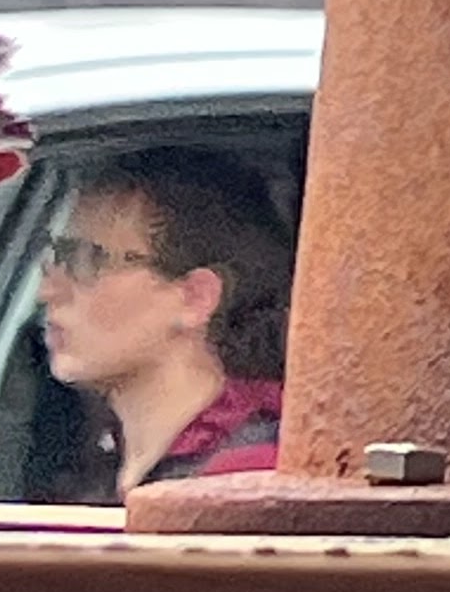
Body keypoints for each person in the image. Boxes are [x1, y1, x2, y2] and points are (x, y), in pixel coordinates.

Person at [37, 145, 292, 498]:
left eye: (88, 260)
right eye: (55, 257)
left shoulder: (250, 484)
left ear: (195, 297)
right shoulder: (95, 466)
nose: (48, 291)